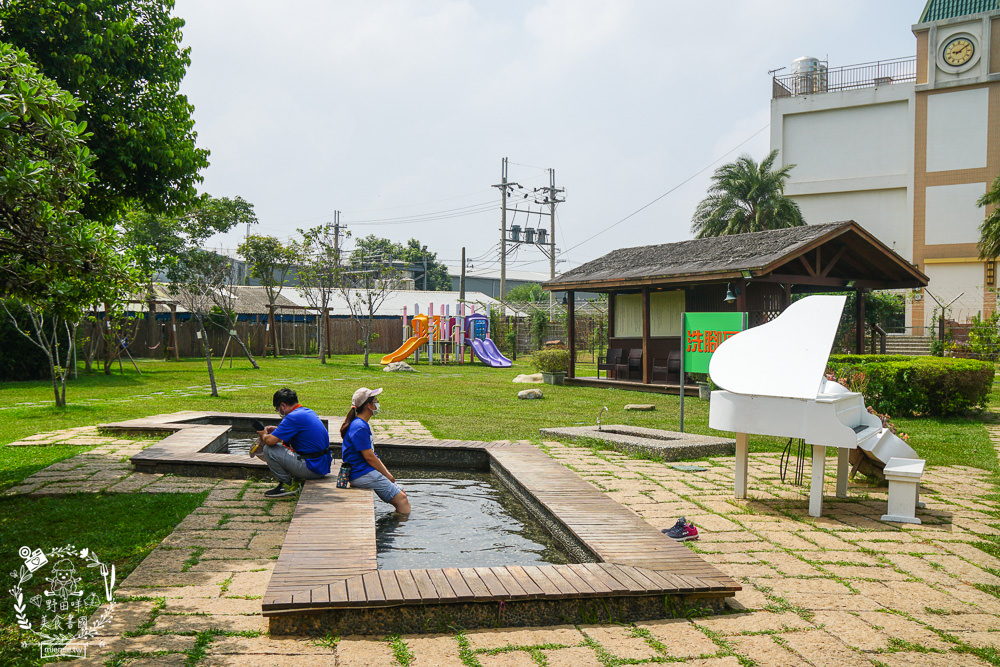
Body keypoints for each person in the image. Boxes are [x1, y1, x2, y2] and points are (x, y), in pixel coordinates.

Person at [340, 387, 410, 513]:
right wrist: (388, 475)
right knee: (402, 500)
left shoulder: (360, 424)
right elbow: (369, 457)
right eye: (375, 401)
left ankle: (397, 520)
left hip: (363, 471)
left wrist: (387, 475)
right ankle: (399, 527)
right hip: (361, 473)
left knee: (402, 492)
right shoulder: (360, 427)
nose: (377, 404)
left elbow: (372, 455)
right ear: (368, 405)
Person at [255, 388, 332, 498]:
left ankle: (287, 485)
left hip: (312, 469)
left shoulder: (292, 417)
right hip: (321, 466)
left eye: (277, 409)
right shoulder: (306, 411)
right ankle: (295, 480)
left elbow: (270, 441)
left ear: (283, 406)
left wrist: (263, 434)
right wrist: (277, 430)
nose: (279, 412)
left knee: (269, 449)